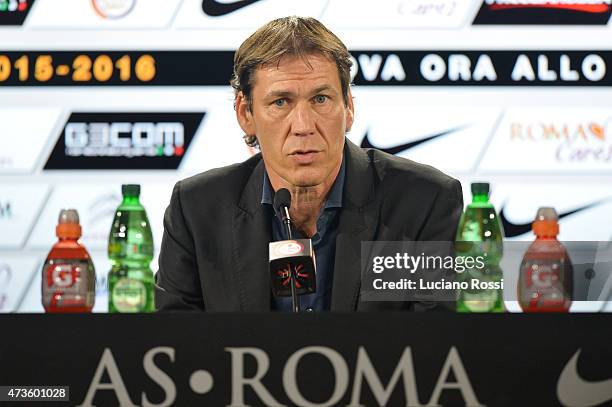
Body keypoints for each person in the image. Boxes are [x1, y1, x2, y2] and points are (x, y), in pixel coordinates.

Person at [155, 16, 463, 312]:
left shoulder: (423, 202)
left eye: (320, 99)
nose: (303, 125)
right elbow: (175, 346)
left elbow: (438, 345)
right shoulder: (197, 210)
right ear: (245, 114)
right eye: (281, 102)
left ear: (349, 107)